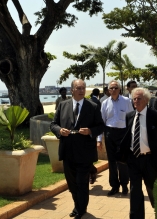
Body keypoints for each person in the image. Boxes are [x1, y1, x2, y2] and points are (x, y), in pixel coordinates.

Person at [50, 79, 104, 219]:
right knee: (72, 183)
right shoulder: (62, 105)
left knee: (81, 182)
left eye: (83, 88)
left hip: (85, 152)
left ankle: (81, 209)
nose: (81, 90)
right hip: (68, 152)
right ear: (72, 90)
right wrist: (59, 130)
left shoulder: (92, 106)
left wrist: (90, 131)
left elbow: (100, 126)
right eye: (78, 88)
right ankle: (77, 205)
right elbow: (53, 124)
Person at [117, 88, 157, 219]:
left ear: (146, 100)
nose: (136, 101)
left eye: (139, 98)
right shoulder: (129, 116)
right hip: (134, 159)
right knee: (135, 191)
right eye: (134, 98)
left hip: (150, 160)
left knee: (154, 190)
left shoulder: (156, 116)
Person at [97, 80, 134, 196]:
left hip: (123, 133)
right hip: (109, 133)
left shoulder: (127, 101)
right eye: (111, 88)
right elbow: (101, 122)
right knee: (112, 161)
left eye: (115, 88)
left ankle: (124, 185)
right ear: (108, 90)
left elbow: (132, 119)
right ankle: (114, 186)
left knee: (122, 160)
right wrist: (99, 140)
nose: (113, 90)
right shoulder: (105, 103)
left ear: (120, 89)